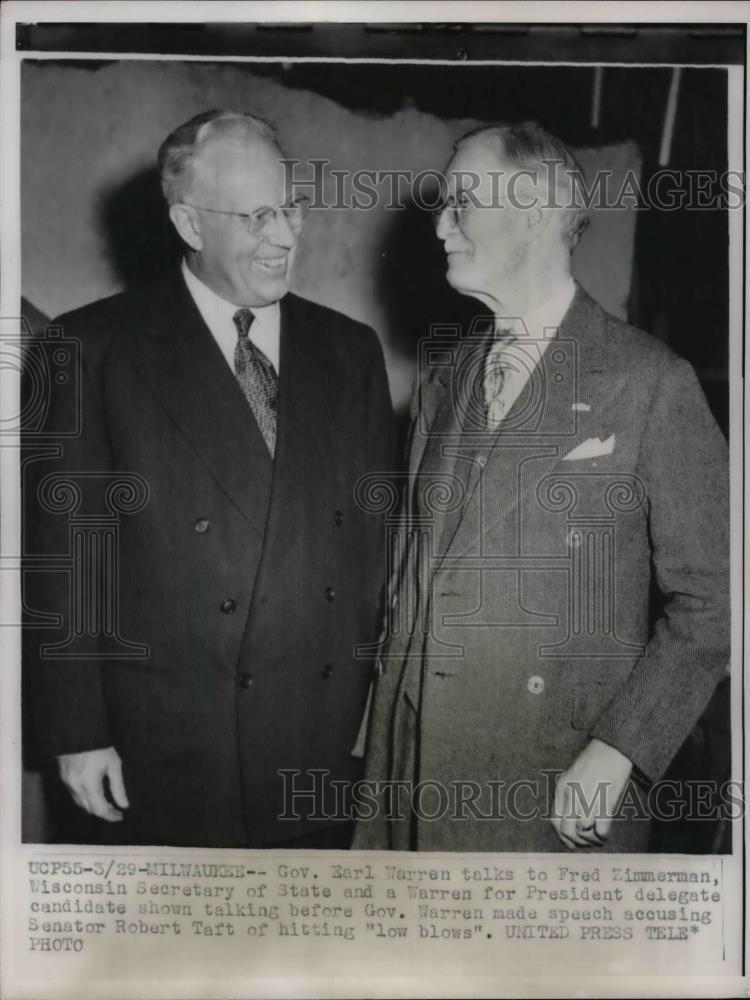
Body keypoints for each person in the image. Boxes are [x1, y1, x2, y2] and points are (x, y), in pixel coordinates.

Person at [353, 122, 729, 852]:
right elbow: (414, 583)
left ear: (532, 208)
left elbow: (718, 600)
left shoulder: (652, 383)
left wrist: (622, 748)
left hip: (553, 793)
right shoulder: (444, 379)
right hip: (415, 782)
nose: (439, 225)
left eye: (461, 200)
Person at [23, 109, 395, 849]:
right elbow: (67, 563)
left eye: (290, 208)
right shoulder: (91, 348)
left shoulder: (350, 352)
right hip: (161, 745)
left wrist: (368, 720)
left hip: (312, 745)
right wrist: (77, 732)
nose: (287, 237)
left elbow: (372, 556)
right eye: (258, 216)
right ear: (190, 225)